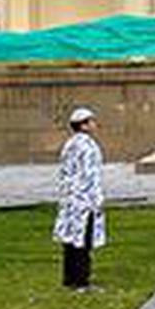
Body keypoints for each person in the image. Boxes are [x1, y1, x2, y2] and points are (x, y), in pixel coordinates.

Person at [53, 106, 106, 291]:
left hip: (71, 199)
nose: (94, 124)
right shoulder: (87, 146)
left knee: (71, 240)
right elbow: (90, 175)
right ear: (83, 125)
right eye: (91, 121)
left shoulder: (69, 144)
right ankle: (82, 281)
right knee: (83, 241)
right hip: (84, 200)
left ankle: (70, 279)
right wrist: (95, 199)